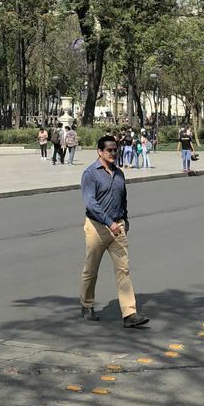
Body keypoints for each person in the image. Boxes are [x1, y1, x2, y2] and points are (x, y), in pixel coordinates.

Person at [79, 134, 149, 328]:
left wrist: (124, 219)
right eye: (108, 150)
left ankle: (129, 314)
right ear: (99, 151)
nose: (113, 153)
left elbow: (122, 197)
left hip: (118, 227)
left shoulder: (119, 173)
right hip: (97, 228)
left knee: (123, 270)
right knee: (91, 269)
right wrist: (109, 222)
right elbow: (91, 204)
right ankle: (86, 304)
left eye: (115, 149)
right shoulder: (90, 174)